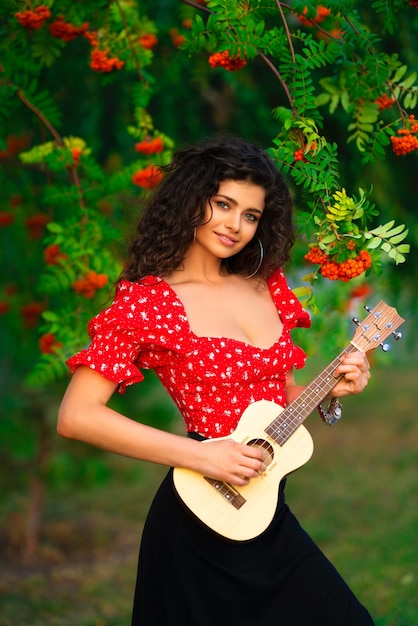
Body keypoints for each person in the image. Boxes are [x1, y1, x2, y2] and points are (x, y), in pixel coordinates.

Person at [58, 136, 374, 625]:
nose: (235, 225)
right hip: (197, 521)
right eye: (223, 204)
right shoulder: (149, 303)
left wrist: (331, 392)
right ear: (191, 199)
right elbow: (77, 416)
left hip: (263, 510)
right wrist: (203, 453)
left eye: (250, 215)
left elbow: (279, 396)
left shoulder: (266, 284)